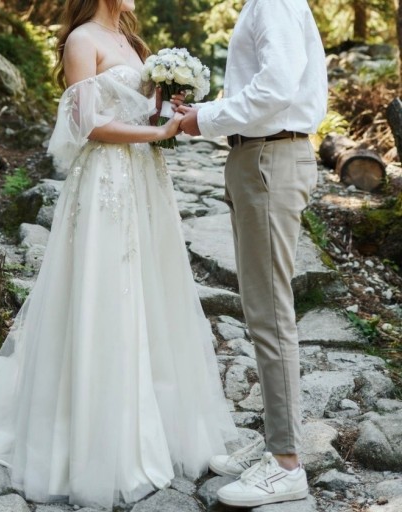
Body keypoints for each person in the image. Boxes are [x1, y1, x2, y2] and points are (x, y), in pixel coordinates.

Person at [0, 0, 236, 510]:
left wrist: (170, 110)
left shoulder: (132, 43)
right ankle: (95, 434)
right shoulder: (82, 41)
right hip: (106, 179)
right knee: (105, 287)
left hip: (144, 178)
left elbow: (140, 111)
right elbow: (89, 125)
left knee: (149, 288)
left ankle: (157, 421)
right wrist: (157, 132)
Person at [176, 0, 327, 507]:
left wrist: (205, 117)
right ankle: (274, 445)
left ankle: (286, 464)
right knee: (260, 308)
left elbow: (276, 88)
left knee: (270, 314)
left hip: (269, 157)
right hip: (258, 156)